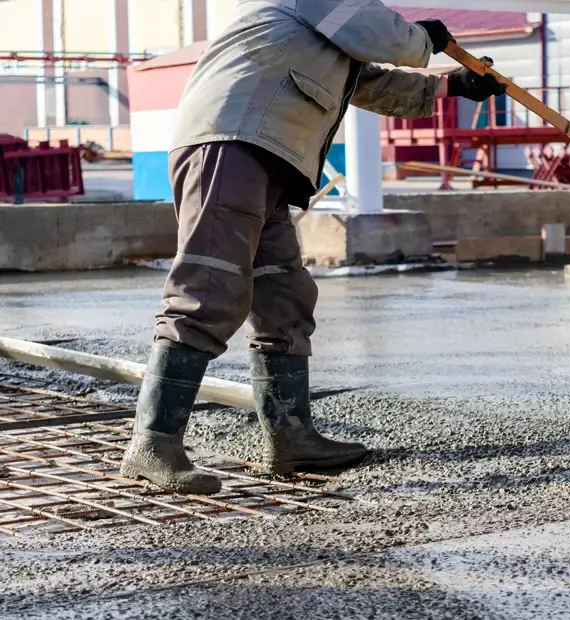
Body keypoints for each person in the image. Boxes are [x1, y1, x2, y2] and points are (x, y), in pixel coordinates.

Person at [119, 0, 506, 495]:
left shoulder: (325, 26)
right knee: (208, 285)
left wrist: (449, 85)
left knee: (284, 297)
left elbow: (364, 81)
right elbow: (386, 35)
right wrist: (421, 39)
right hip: (231, 144)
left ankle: (290, 437)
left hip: (267, 155)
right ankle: (153, 444)